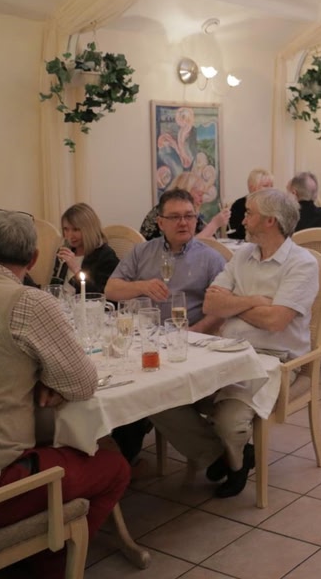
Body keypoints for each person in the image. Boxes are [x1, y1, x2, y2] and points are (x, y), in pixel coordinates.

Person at [151, 189, 320, 499]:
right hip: (224, 350)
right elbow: (211, 305)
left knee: (230, 422)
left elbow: (275, 321)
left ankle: (235, 458)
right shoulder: (243, 255)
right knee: (160, 398)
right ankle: (219, 455)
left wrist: (233, 304)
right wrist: (256, 301)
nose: (243, 219)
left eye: (249, 213)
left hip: (272, 358)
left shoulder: (302, 264)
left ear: (270, 221)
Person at [0, 210, 130, 578]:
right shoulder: (25, 302)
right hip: (3, 482)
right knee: (114, 467)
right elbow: (82, 384)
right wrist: (50, 378)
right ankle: (51, 564)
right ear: (34, 258)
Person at [106, 189, 227, 463]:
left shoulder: (210, 259)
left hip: (190, 347)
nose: (183, 222)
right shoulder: (142, 252)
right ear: (160, 222)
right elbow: (111, 289)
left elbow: (221, 311)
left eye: (189, 216)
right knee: (121, 383)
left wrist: (191, 333)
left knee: (147, 393)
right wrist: (141, 286)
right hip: (145, 343)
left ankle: (214, 456)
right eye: (175, 217)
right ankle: (119, 457)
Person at [50, 202, 119, 294]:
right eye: (66, 229)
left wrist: (76, 269)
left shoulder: (105, 255)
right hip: (61, 301)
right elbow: (55, 287)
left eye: (75, 229)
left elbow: (102, 293)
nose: (70, 235)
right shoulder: (64, 251)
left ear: (89, 230)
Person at [139, 172, 231, 241]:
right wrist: (214, 224)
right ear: (187, 192)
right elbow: (183, 248)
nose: (201, 200)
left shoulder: (191, 214)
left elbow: (206, 239)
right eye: (199, 195)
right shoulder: (164, 213)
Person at [228, 168, 274, 240]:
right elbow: (232, 234)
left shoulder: (275, 205)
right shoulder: (239, 205)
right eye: (265, 186)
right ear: (252, 188)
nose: (270, 189)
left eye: (271, 186)